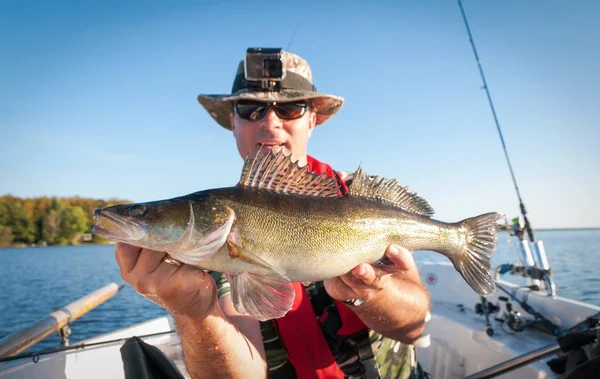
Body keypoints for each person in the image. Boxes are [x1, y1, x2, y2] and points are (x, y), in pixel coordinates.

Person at [115, 50, 431, 379]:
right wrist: (193, 312)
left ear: (313, 119)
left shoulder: (361, 201)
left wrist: (373, 291)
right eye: (250, 109)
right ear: (233, 122)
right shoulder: (205, 247)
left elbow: (414, 327)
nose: (270, 122)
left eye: (291, 108)